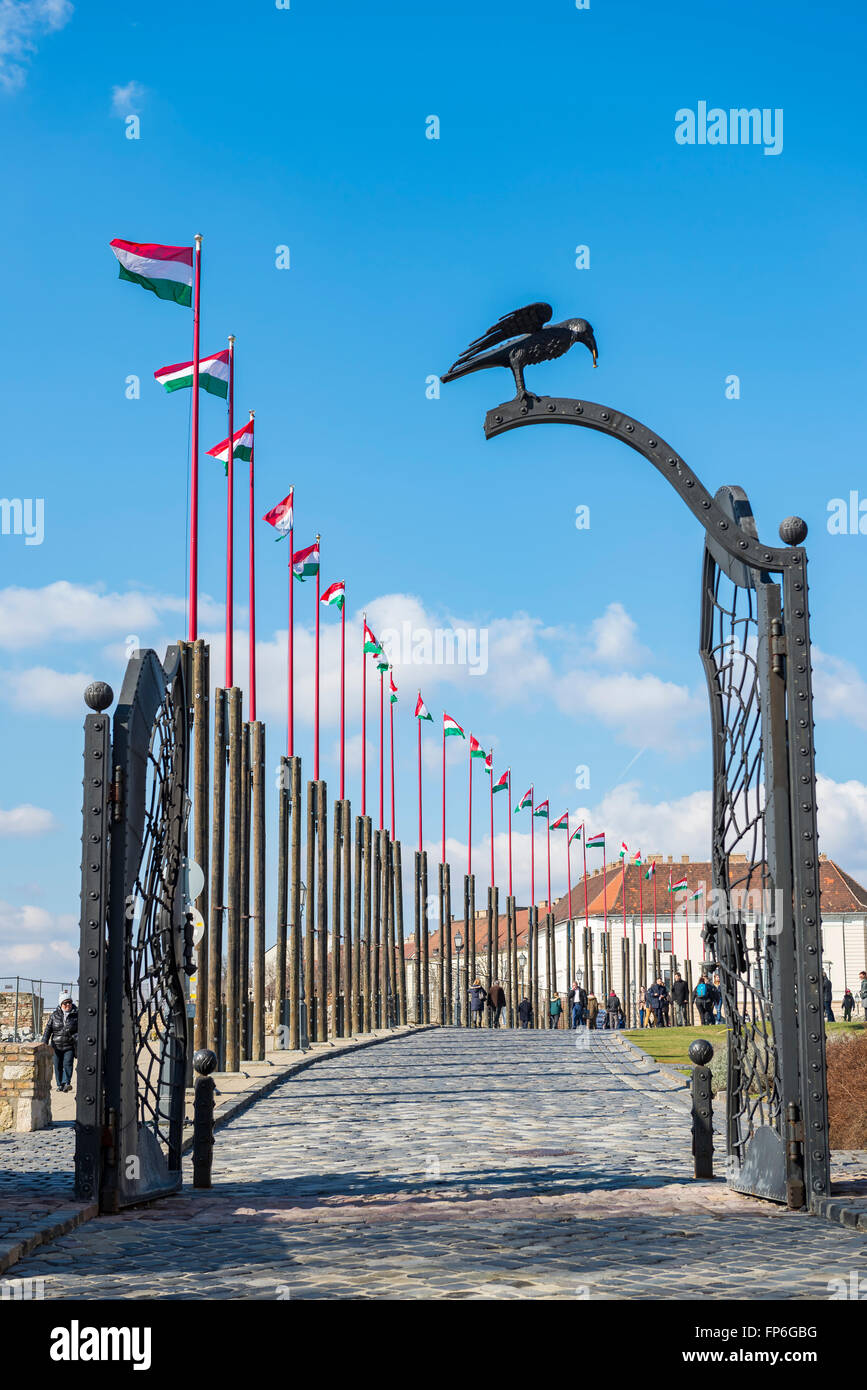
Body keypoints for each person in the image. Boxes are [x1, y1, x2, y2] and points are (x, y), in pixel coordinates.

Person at [42, 992, 78, 1092]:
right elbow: (48, 1029)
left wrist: (76, 1037)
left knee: (68, 1064)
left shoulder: (76, 1015)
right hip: (56, 1046)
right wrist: (44, 1042)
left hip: (69, 1045)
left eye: (69, 1002)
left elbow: (80, 1030)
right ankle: (60, 1084)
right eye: (65, 1003)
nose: (68, 1005)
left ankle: (67, 1083)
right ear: (61, 1004)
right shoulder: (54, 1015)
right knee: (57, 1066)